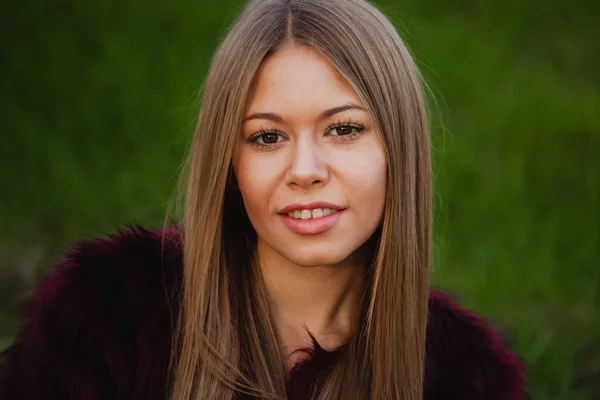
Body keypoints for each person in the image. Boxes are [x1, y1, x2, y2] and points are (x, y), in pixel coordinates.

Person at [0, 0, 526, 399]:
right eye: (267, 137)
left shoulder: (467, 376)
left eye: (343, 129)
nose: (305, 172)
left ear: (399, 149)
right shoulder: (104, 318)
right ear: (230, 166)